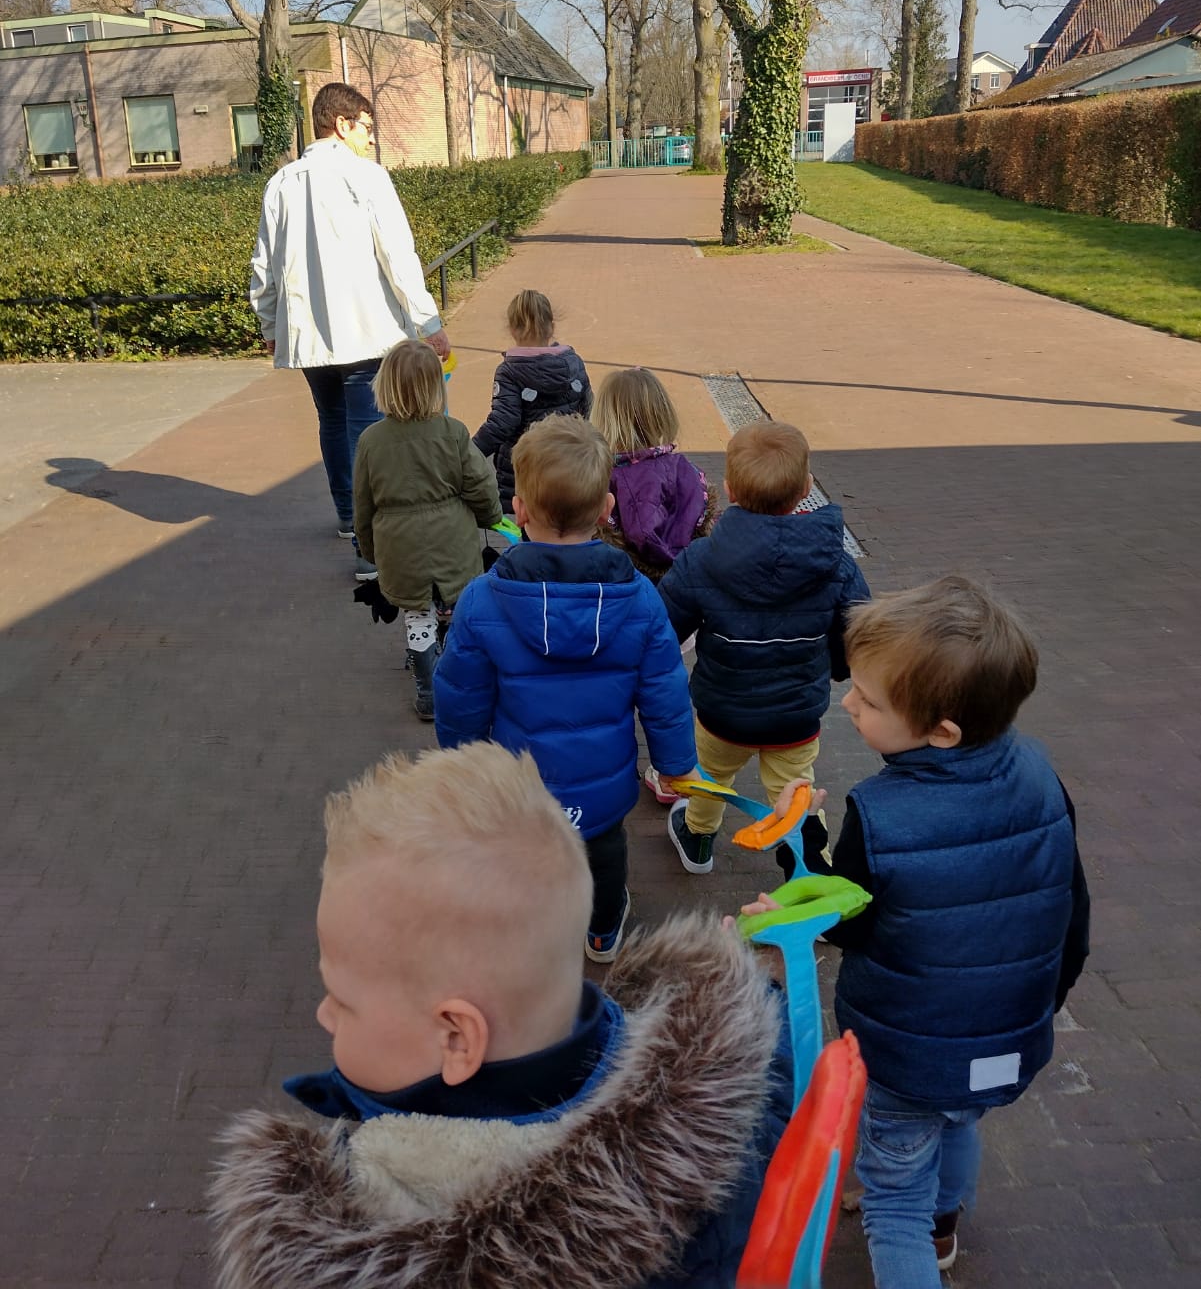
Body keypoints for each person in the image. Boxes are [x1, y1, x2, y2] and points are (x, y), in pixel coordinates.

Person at [210, 741, 794, 1289]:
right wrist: (763, 985)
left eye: (343, 1001)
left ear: (457, 1040)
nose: (324, 1014)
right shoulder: (715, 1111)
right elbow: (772, 1101)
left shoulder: (365, 1239)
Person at [743, 576, 1090, 1287]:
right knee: (959, 1121)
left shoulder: (880, 813)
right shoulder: (1040, 772)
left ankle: (916, 1232)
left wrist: (799, 841)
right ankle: (943, 1228)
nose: (848, 703)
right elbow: (1072, 908)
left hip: (907, 1056)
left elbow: (847, 923)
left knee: (890, 1203)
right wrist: (1043, 1003)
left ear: (942, 732)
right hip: (1008, 1040)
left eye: (869, 701)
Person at [434, 414, 698, 963]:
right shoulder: (640, 600)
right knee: (604, 849)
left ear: (519, 510)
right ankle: (602, 929)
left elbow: (461, 696)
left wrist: (462, 763)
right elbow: (665, 692)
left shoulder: (482, 600)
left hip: (522, 785)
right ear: (606, 509)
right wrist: (675, 764)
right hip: (603, 783)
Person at [249, 82, 449, 571]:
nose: (371, 138)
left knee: (332, 422)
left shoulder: (281, 183)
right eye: (366, 127)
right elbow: (398, 255)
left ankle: (346, 515)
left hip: (308, 336)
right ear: (341, 124)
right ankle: (368, 546)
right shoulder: (368, 177)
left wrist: (270, 324)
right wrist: (428, 322)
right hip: (366, 329)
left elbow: (264, 265)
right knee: (367, 433)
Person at [654, 420, 870, 869]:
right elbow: (858, 632)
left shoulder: (702, 561)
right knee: (796, 789)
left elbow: (662, 629)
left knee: (711, 776)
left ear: (729, 489)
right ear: (806, 488)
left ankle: (698, 838)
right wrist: (835, 667)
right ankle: (808, 867)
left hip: (722, 709)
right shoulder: (835, 564)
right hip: (796, 712)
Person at [353, 341, 502, 721]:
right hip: (453, 543)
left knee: (417, 615)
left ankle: (427, 690)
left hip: (399, 549)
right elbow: (480, 484)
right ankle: (455, 674)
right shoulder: (453, 433)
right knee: (456, 611)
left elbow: (363, 504)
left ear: (384, 386)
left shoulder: (371, 441)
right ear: (437, 386)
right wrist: (489, 516)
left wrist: (370, 551)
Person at [472, 289, 591, 513]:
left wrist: (470, 453)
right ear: (551, 327)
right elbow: (586, 410)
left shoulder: (510, 371)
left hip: (524, 472)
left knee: (527, 524)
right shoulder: (574, 363)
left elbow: (502, 423)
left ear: (512, 329)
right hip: (568, 464)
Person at [592, 366, 716, 583]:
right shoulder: (688, 471)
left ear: (603, 420)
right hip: (685, 584)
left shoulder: (598, 481)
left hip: (624, 588)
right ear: (662, 415)